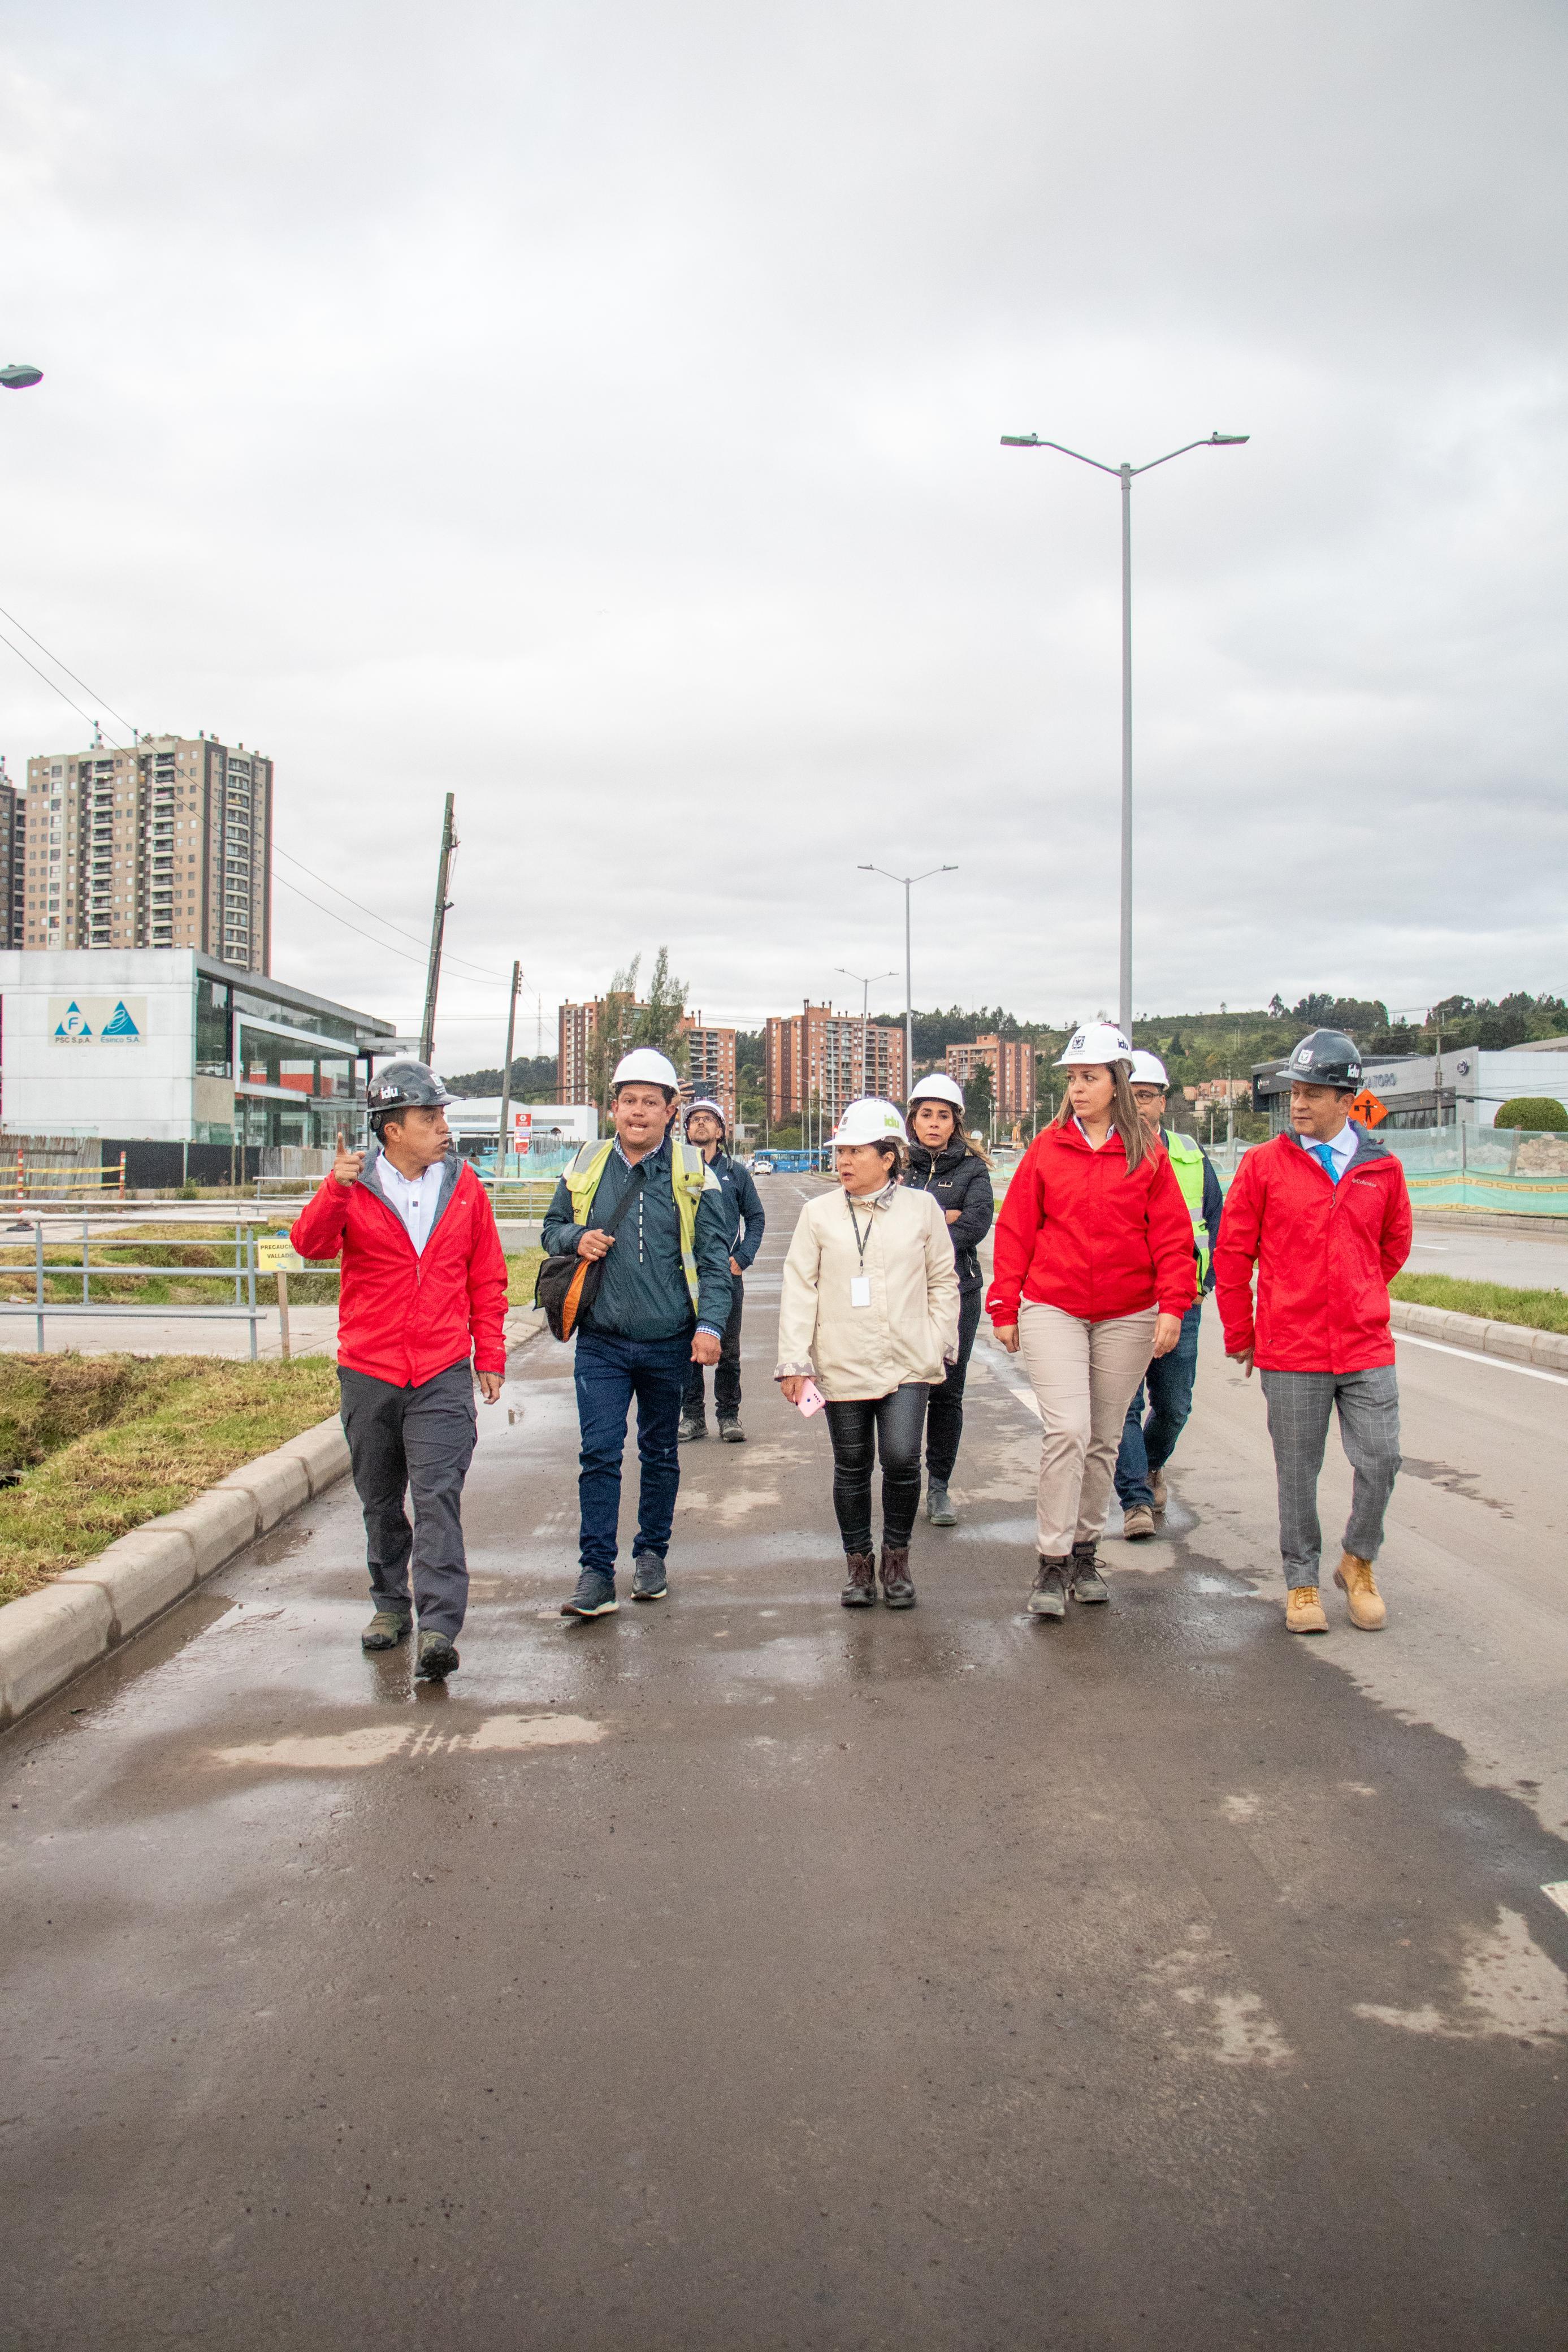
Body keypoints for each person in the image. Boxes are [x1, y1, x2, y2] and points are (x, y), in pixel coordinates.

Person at [291, 1059, 507, 1681]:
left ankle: (439, 1625)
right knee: (381, 1499)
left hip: (439, 1369)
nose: (443, 1126)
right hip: (369, 1371)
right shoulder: (354, 1185)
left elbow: (486, 1276)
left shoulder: (464, 1184)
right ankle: (390, 1605)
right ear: (392, 1129)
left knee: (437, 1496)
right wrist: (334, 1188)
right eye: (428, 1116)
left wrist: (487, 1354)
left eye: (442, 1114)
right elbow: (309, 1246)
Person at [987, 1024, 1196, 1620]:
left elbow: (1173, 1238)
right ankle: (1050, 1561)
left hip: (1127, 1313)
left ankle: (1083, 1553)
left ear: (1117, 1083)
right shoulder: (1047, 1148)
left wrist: (1172, 1305)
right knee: (1069, 1431)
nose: (1077, 1088)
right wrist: (1005, 1305)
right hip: (1053, 1305)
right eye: (1073, 1078)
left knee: (1104, 1439)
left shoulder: (1148, 1153)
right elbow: (1016, 1228)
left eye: (1089, 1077)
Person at [1213, 1027, 1412, 1636]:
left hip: (1363, 1344)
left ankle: (1358, 1560)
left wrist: (1353, 1290)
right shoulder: (1262, 1164)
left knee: (1381, 1457)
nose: (1297, 1104)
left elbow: (1392, 1247)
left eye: (1312, 1092)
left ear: (1346, 1099)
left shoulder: (1382, 1168)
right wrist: (1241, 1330)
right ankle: (1301, 1579)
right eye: (1293, 1091)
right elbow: (1232, 1252)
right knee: (1297, 1470)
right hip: (1291, 1348)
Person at [543, 1049, 734, 1618]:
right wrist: (576, 1236)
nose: (638, 1111)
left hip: (669, 1340)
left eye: (651, 1102)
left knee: (659, 1452)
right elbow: (551, 1229)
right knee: (599, 1452)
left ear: (670, 1110)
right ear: (613, 1107)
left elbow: (714, 1257)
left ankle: (651, 1554)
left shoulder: (694, 1172)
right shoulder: (584, 1163)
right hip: (600, 1339)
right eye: (629, 1100)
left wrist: (709, 1324)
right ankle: (595, 1572)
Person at [776, 1098, 959, 1609]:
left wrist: (941, 1339)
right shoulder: (818, 1214)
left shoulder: (922, 1209)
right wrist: (794, 1361)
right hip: (841, 1359)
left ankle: (896, 1559)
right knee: (852, 1464)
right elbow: (799, 1288)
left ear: (889, 1156)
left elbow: (944, 1280)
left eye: (856, 1152)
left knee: (903, 1459)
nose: (844, 1163)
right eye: (840, 1153)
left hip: (908, 1360)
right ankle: (859, 1567)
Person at [1113, 1050, 1225, 1538]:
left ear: (1162, 1102)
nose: (1138, 1106)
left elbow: (1219, 1226)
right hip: (1125, 1302)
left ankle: (1151, 1464)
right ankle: (1136, 1499)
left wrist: (1205, 1284)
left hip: (1183, 1302)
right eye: (1129, 1096)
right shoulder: (1107, 1154)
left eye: (1147, 1097)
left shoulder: (1190, 1155)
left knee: (1175, 1404)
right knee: (1125, 1406)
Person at [904, 1071, 994, 1527]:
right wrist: (942, 1218)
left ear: (956, 1122)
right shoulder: (896, 1166)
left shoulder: (973, 1169)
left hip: (958, 1294)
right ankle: (902, 1480)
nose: (934, 1123)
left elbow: (976, 1224)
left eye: (943, 1116)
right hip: (900, 1296)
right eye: (926, 1115)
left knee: (946, 1394)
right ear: (913, 1120)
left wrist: (918, 1230)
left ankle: (938, 1485)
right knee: (901, 1389)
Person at [677, 1097, 766, 1445]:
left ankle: (729, 1416)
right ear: (685, 1129)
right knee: (689, 1348)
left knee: (728, 1349)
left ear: (720, 1130)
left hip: (726, 1273)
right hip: (686, 1275)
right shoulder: (677, 1168)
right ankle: (693, 1417)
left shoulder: (736, 1173)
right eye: (694, 1120)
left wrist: (743, 1257)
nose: (700, 1125)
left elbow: (756, 1217)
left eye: (708, 1120)